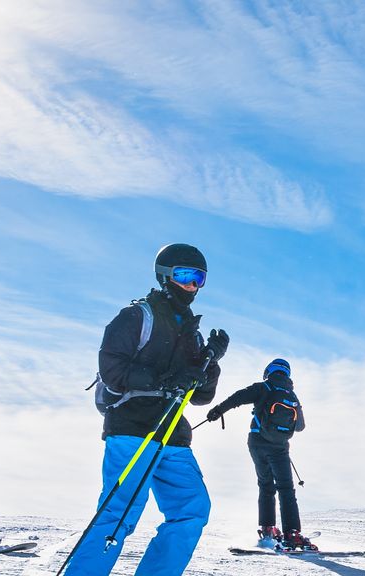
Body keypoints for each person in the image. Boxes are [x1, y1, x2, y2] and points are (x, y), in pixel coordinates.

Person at [64, 243, 228, 576]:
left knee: (192, 510)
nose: (191, 286)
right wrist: (166, 379)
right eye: (184, 275)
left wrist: (210, 362)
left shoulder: (193, 334)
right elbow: (112, 368)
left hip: (173, 433)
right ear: (165, 275)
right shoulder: (138, 316)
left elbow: (201, 397)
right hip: (133, 426)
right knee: (119, 513)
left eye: (199, 278)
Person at [205, 358, 313, 552]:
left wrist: (217, 411)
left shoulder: (263, 387)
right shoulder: (293, 396)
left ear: (268, 371)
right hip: (280, 448)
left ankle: (267, 529)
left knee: (265, 485)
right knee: (286, 489)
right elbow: (300, 427)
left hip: (257, 443)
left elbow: (238, 397)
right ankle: (292, 533)